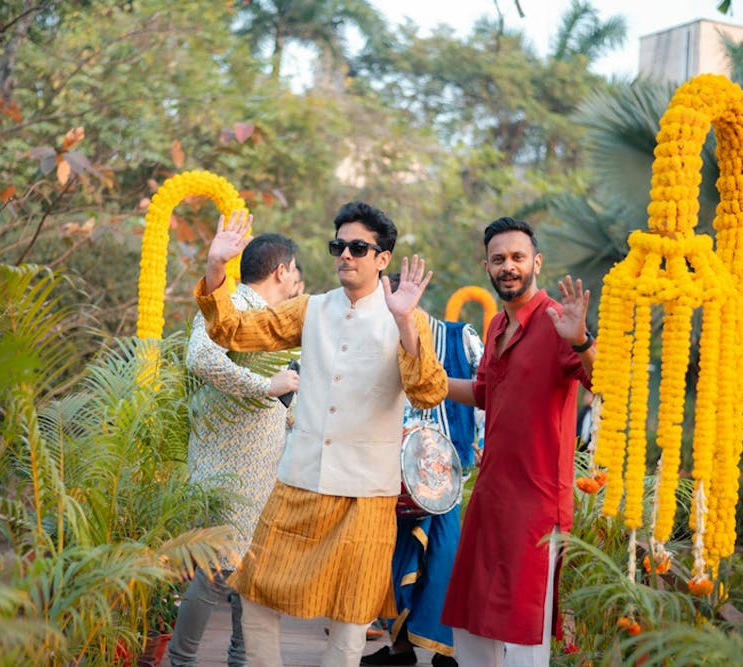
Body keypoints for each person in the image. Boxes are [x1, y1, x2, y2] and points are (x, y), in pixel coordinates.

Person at [193, 202, 448, 667]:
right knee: (255, 593)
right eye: (339, 246)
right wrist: (215, 267)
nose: (345, 255)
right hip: (300, 480)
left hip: (367, 492)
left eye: (358, 247)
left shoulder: (410, 320)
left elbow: (429, 391)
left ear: (382, 258)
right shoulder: (311, 309)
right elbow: (232, 330)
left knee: (351, 619)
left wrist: (406, 321)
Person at [441, 216, 595, 666]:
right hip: (490, 498)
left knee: (525, 634)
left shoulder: (557, 321)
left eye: (517, 257)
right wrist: (430, 381)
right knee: (472, 624)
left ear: (536, 263)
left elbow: (600, 378)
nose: (508, 266)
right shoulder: (495, 326)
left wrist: (582, 339)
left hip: (536, 505)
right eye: (498, 259)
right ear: (486, 267)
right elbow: (485, 392)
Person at [168, 233, 302, 667]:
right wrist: (266, 386)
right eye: (296, 270)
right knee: (216, 571)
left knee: (252, 575)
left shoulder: (275, 321)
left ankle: (242, 661)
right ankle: (180, 660)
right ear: (282, 271)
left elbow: (287, 402)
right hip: (226, 466)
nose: (297, 279)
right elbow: (201, 359)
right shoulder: (233, 305)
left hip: (265, 469)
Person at [362, 275, 484, 667]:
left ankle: (446, 650)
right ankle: (400, 648)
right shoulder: (373, 341)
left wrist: (484, 441)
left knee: (444, 555)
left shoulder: (458, 337)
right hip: (388, 473)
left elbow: (487, 390)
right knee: (392, 556)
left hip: (445, 472)